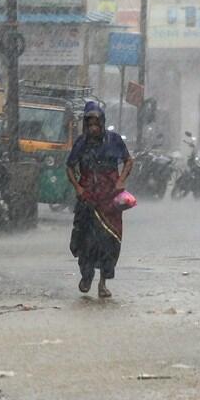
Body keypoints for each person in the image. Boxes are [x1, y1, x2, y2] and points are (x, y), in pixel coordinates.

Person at [66, 102, 133, 298]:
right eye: (90, 124)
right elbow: (70, 166)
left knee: (109, 241)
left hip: (109, 199)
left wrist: (121, 180)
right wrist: (78, 187)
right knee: (86, 241)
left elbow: (129, 160)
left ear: (102, 123)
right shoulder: (81, 143)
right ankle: (86, 276)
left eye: (97, 124)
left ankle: (103, 283)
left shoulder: (114, 141)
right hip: (87, 198)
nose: (94, 128)